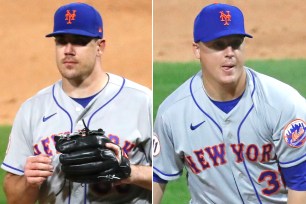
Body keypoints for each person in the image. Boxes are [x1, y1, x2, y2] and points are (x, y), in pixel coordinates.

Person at [153, 3, 306, 204]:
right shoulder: (172, 113)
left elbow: (300, 182)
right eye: (218, 45)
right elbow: (156, 179)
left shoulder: (283, 103)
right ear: (197, 50)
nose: (229, 52)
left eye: (236, 43)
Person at [2, 2, 152, 204]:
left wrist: (130, 172)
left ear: (100, 47)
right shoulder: (32, 109)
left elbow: (166, 174)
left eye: (79, 41)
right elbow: (14, 198)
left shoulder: (141, 102)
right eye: (61, 41)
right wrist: (28, 183)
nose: (68, 50)